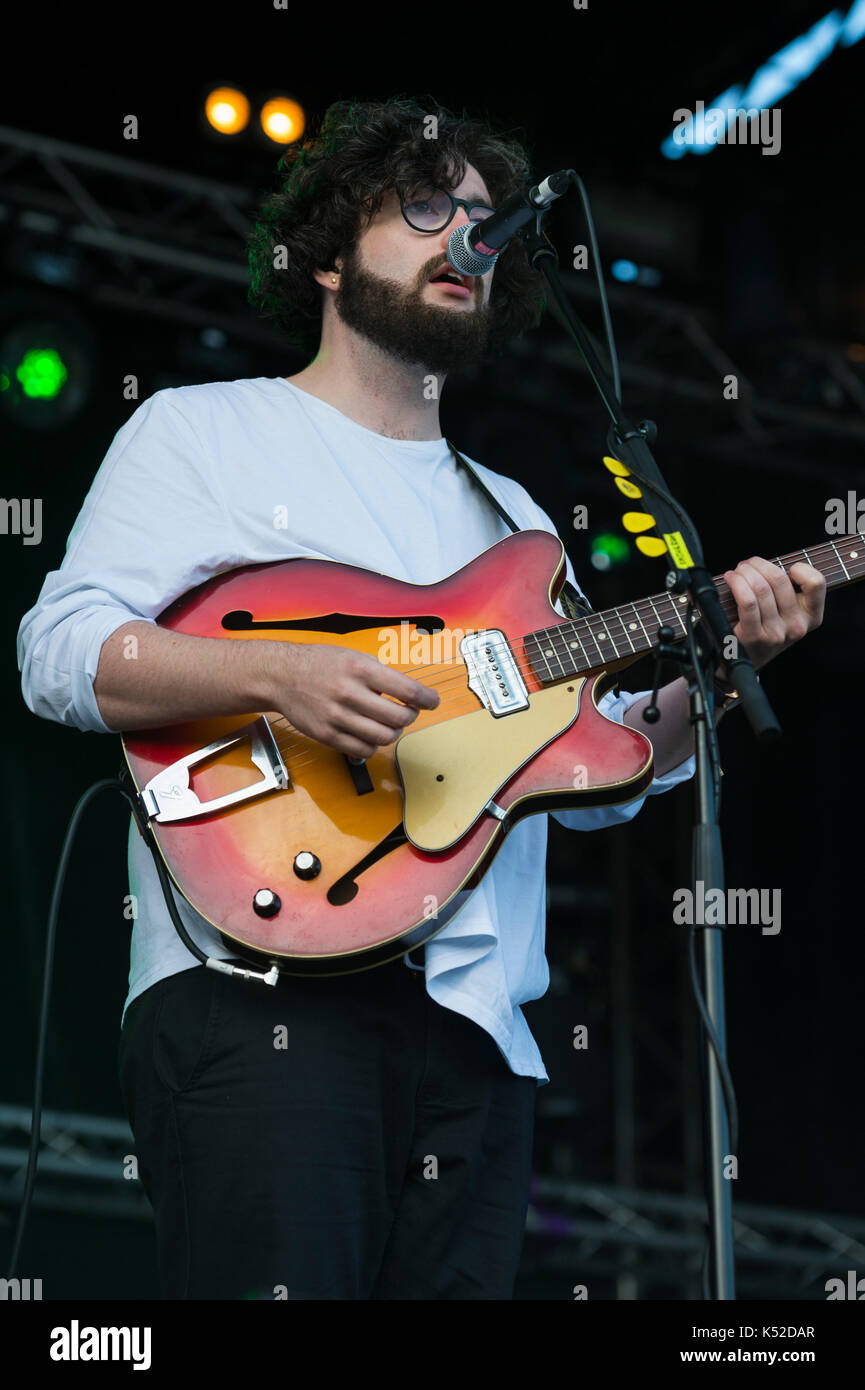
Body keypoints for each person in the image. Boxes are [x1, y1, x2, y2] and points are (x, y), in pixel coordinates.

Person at [16, 96, 826, 1300]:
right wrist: (275, 671)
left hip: (477, 1040)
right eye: (425, 207)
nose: (466, 241)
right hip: (259, 995)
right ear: (330, 254)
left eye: (487, 222)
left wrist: (729, 661)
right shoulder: (205, 431)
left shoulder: (519, 522)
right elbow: (59, 652)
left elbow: (590, 781)